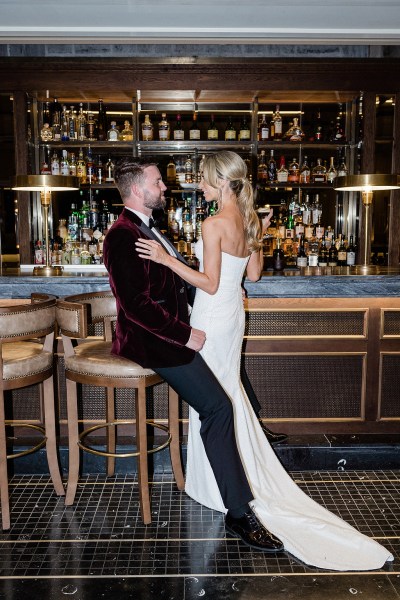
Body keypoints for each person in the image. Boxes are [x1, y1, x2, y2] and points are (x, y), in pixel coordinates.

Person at [135, 151, 393, 571]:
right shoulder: (249, 220)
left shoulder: (213, 222)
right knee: (224, 391)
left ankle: (217, 486)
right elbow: (251, 276)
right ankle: (223, 481)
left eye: (202, 179)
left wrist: (167, 260)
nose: (198, 185)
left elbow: (210, 281)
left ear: (220, 181)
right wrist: (258, 237)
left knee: (213, 398)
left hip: (214, 316)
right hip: (233, 317)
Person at [103, 156, 283, 554]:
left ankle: (234, 476)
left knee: (227, 391)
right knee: (218, 407)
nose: (165, 187)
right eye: (157, 182)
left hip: (183, 331)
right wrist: (185, 335)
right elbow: (135, 306)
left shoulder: (151, 227)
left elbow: (174, 282)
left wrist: (212, 295)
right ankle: (239, 515)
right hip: (155, 342)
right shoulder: (121, 234)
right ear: (137, 189)